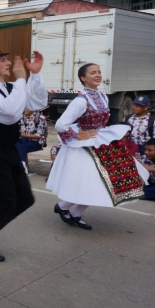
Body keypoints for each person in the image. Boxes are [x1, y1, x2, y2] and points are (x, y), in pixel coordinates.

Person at [47, 63, 147, 230]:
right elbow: (60, 124)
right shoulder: (80, 100)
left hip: (102, 141)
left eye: (99, 72)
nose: (98, 75)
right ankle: (64, 207)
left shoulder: (102, 95)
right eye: (93, 73)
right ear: (83, 78)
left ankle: (73, 212)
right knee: (92, 182)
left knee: (107, 180)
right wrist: (78, 134)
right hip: (86, 146)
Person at [0, 45, 47, 262]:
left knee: (25, 198)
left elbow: (39, 102)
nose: (8, 63)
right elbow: (11, 114)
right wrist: (22, 80)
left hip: (9, 150)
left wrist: (36, 74)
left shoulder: (12, 87)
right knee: (6, 201)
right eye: (3, 60)